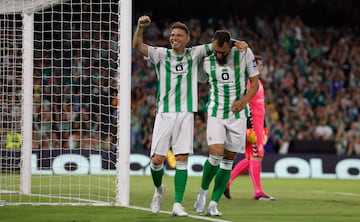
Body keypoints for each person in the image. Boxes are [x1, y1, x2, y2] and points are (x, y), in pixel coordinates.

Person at [133, 15, 248, 217]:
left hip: (186, 114)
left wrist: (238, 43)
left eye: (178, 35)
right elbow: (138, 46)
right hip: (164, 114)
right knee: (157, 160)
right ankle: (159, 190)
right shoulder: (161, 54)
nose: (174, 38)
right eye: (172, 35)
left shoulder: (195, 53)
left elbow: (219, 44)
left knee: (182, 159)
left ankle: (177, 204)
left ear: (187, 38)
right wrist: (140, 28)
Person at [194, 30, 259, 216]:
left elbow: (254, 83)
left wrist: (244, 100)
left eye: (223, 52)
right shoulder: (206, 60)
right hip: (216, 113)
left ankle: (214, 203)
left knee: (227, 161)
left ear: (230, 46)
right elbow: (199, 79)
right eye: (216, 51)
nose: (219, 55)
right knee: (215, 154)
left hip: (238, 116)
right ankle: (203, 191)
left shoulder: (244, 53)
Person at [224, 55, 276, 201]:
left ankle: (226, 182)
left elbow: (259, 107)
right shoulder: (249, 83)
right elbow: (243, 103)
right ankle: (258, 192)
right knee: (256, 156)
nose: (262, 67)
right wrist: (248, 125)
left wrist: (264, 125)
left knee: (250, 158)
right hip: (251, 125)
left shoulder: (257, 83)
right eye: (259, 65)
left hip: (258, 125)